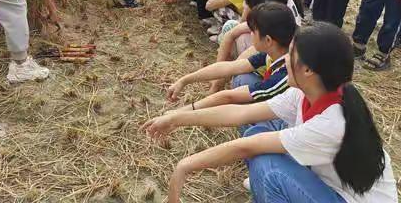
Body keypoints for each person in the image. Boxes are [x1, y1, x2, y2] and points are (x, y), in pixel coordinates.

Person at [143, 23, 397, 203]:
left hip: (345, 198)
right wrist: (176, 118)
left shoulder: (330, 123)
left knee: (269, 166)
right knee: (256, 128)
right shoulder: (307, 94)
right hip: (327, 185)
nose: (285, 59)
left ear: (308, 70)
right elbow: (240, 114)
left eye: (292, 55)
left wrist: (184, 166)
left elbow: (245, 148)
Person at [166, 2, 296, 114]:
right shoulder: (274, 52)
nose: (250, 35)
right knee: (241, 78)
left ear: (268, 40)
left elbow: (228, 97)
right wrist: (185, 80)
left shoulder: (286, 73)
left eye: (253, 31)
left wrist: (185, 111)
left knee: (253, 127)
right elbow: (230, 67)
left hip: (285, 120)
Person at [209, 0, 293, 93]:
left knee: (241, 79)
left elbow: (239, 64)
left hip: (271, 85)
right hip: (268, 71)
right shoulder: (277, 21)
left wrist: (216, 86)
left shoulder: (270, 32)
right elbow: (232, 36)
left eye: (248, 5)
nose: (245, 7)